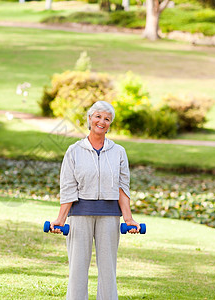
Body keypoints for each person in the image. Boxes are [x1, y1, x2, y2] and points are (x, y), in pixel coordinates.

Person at [50, 101, 140, 300]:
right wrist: (60, 219)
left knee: (108, 270)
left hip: (109, 216)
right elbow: (68, 188)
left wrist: (129, 219)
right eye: (98, 116)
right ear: (89, 119)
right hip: (80, 215)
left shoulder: (119, 152)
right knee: (77, 268)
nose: (102, 121)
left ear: (110, 124)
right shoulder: (74, 151)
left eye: (107, 119)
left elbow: (122, 188)